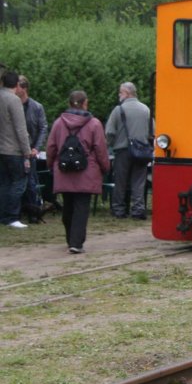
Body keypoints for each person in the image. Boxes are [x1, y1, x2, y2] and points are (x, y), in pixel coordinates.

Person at [47, 90, 110, 253]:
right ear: (85, 103)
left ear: (69, 103)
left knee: (68, 205)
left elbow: (51, 147)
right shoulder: (94, 124)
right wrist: (105, 167)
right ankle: (76, 242)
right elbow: (101, 149)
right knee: (81, 208)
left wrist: (51, 165)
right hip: (86, 171)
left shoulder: (58, 123)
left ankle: (70, 239)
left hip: (64, 170)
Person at [104, 82, 153, 220]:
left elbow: (109, 132)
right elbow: (152, 132)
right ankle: (138, 210)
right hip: (141, 151)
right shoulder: (146, 110)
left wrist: (110, 146)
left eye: (120, 92)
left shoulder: (118, 110)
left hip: (123, 150)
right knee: (139, 181)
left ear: (126, 93)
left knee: (120, 181)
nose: (119, 95)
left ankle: (119, 209)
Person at [0, 70, 32, 228]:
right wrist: (27, 151)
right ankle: (12, 216)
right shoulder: (13, 100)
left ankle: (3, 215)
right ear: (16, 85)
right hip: (13, 149)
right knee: (18, 182)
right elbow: (20, 128)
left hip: (1, 149)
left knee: (4, 183)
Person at [15, 76, 48, 221]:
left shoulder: (36, 107)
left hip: (31, 151)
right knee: (16, 182)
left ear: (24, 88)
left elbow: (43, 128)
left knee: (31, 183)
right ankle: (16, 212)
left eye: (17, 87)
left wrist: (36, 148)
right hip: (14, 151)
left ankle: (33, 213)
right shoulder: (11, 105)